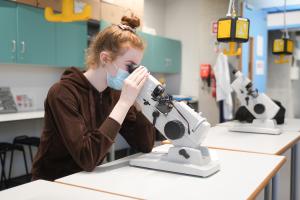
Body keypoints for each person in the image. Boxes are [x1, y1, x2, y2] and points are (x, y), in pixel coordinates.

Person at [31, 15, 156, 181]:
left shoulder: (115, 93)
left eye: (136, 67)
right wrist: (124, 103)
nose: (133, 74)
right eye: (130, 66)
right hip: (52, 182)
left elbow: (145, 144)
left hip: (87, 179)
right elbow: (87, 157)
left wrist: (139, 103)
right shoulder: (62, 93)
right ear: (105, 58)